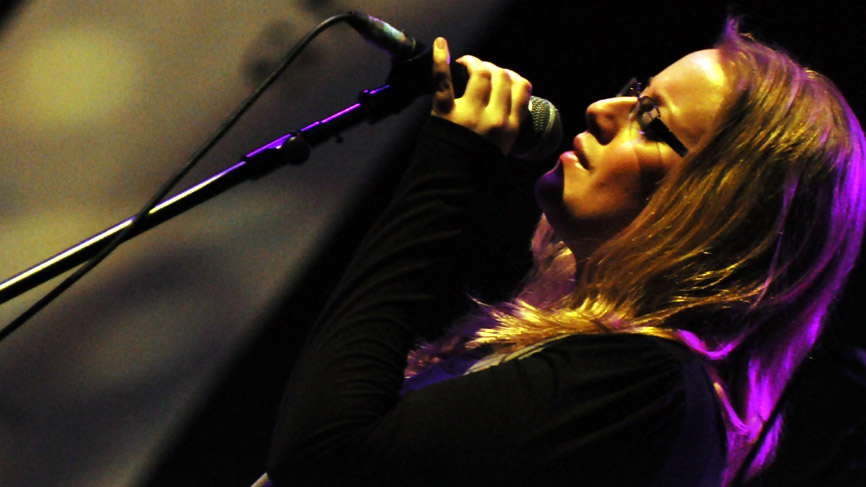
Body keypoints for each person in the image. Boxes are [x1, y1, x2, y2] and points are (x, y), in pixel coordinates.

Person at [263, 19, 865, 486]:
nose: (603, 110)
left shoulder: (647, 389)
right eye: (637, 93)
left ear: (722, 213)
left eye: (651, 123)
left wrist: (446, 167)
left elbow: (324, 452)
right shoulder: (616, 366)